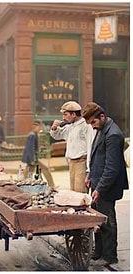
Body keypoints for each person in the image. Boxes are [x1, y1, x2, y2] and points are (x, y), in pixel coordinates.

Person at [82, 102, 128, 266]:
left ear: (102, 116)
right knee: (97, 219)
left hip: (107, 187)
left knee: (107, 221)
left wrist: (100, 188)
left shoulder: (113, 134)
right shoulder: (102, 129)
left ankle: (109, 256)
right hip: (99, 182)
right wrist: (90, 175)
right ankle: (99, 251)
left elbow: (111, 167)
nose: (92, 127)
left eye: (93, 122)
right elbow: (97, 157)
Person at [50, 101, 94, 193]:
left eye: (66, 114)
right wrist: (54, 128)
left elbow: (90, 147)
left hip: (81, 162)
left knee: (80, 193)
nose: (63, 117)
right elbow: (58, 135)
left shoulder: (85, 126)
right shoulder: (71, 127)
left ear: (74, 114)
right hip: (72, 163)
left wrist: (89, 170)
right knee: (73, 193)